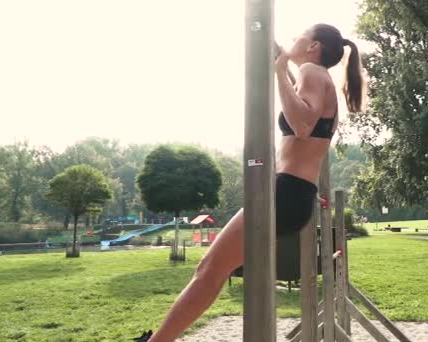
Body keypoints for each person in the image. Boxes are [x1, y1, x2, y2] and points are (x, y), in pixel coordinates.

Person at [148, 23, 366, 342]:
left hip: (285, 192)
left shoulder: (311, 72)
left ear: (313, 47)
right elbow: (306, 118)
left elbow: (302, 125)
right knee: (212, 270)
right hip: (295, 194)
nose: (293, 39)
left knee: (209, 270)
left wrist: (280, 69)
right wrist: (283, 63)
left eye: (298, 37)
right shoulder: (317, 77)